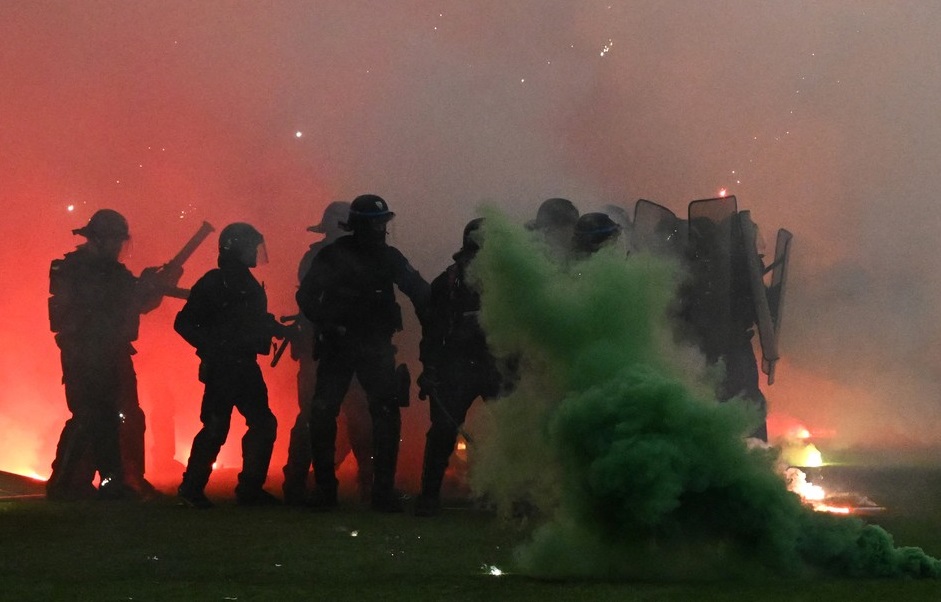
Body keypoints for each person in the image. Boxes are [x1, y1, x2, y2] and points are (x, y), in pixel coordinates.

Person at [296, 194, 429, 512]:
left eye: (383, 223)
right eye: (375, 224)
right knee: (323, 414)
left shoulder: (389, 257)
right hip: (339, 348)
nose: (381, 230)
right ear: (359, 225)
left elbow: (419, 289)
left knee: (385, 415)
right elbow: (307, 296)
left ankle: (382, 490)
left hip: (375, 348)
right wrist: (329, 323)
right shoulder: (333, 256)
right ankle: (326, 489)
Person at [46, 209, 175, 501]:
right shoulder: (75, 269)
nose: (119, 248)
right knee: (88, 416)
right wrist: (138, 289)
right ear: (99, 239)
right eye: (114, 241)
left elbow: (135, 303)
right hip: (84, 353)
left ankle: (114, 481)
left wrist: (149, 287)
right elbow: (99, 305)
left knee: (111, 418)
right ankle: (66, 483)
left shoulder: (112, 272)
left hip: (110, 352)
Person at [175, 223, 287, 508]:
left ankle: (248, 488)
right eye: (250, 247)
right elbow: (184, 323)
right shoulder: (215, 282)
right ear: (236, 248)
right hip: (224, 368)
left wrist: (275, 327)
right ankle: (192, 488)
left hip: (245, 366)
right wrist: (212, 347)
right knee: (216, 426)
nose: (254, 253)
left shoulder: (245, 284)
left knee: (262, 423)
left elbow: (250, 321)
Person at [282, 201, 374, 505]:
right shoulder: (316, 258)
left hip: (349, 349)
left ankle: (367, 482)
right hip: (318, 349)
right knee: (313, 415)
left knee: (357, 415)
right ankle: (298, 482)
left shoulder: (357, 257)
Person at [414, 218, 504, 516]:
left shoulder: (507, 281)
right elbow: (433, 331)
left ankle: (513, 494)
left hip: (494, 365)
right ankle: (428, 497)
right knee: (442, 432)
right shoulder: (449, 283)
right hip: (458, 368)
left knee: (510, 430)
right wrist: (429, 370)